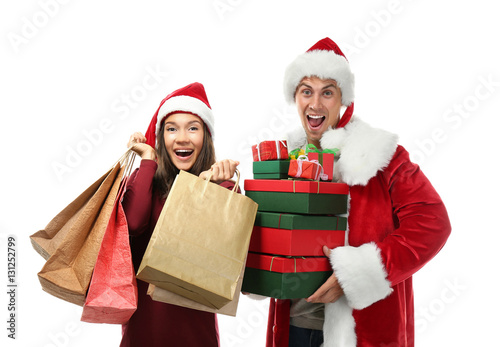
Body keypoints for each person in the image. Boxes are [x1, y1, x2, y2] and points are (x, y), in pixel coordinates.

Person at [266, 38, 452, 347]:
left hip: (359, 331)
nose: (315, 104)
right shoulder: (283, 159)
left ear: (343, 100)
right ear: (294, 97)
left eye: (327, 92)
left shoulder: (382, 155)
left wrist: (354, 276)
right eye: (306, 91)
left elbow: (432, 224)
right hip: (295, 325)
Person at [120, 82, 239, 347]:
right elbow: (134, 223)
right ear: (161, 137)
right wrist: (148, 159)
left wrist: (211, 186)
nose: (182, 137)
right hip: (141, 336)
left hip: (198, 337)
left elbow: (231, 255)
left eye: (192, 128)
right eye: (171, 128)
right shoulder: (144, 180)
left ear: (205, 138)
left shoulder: (223, 189)